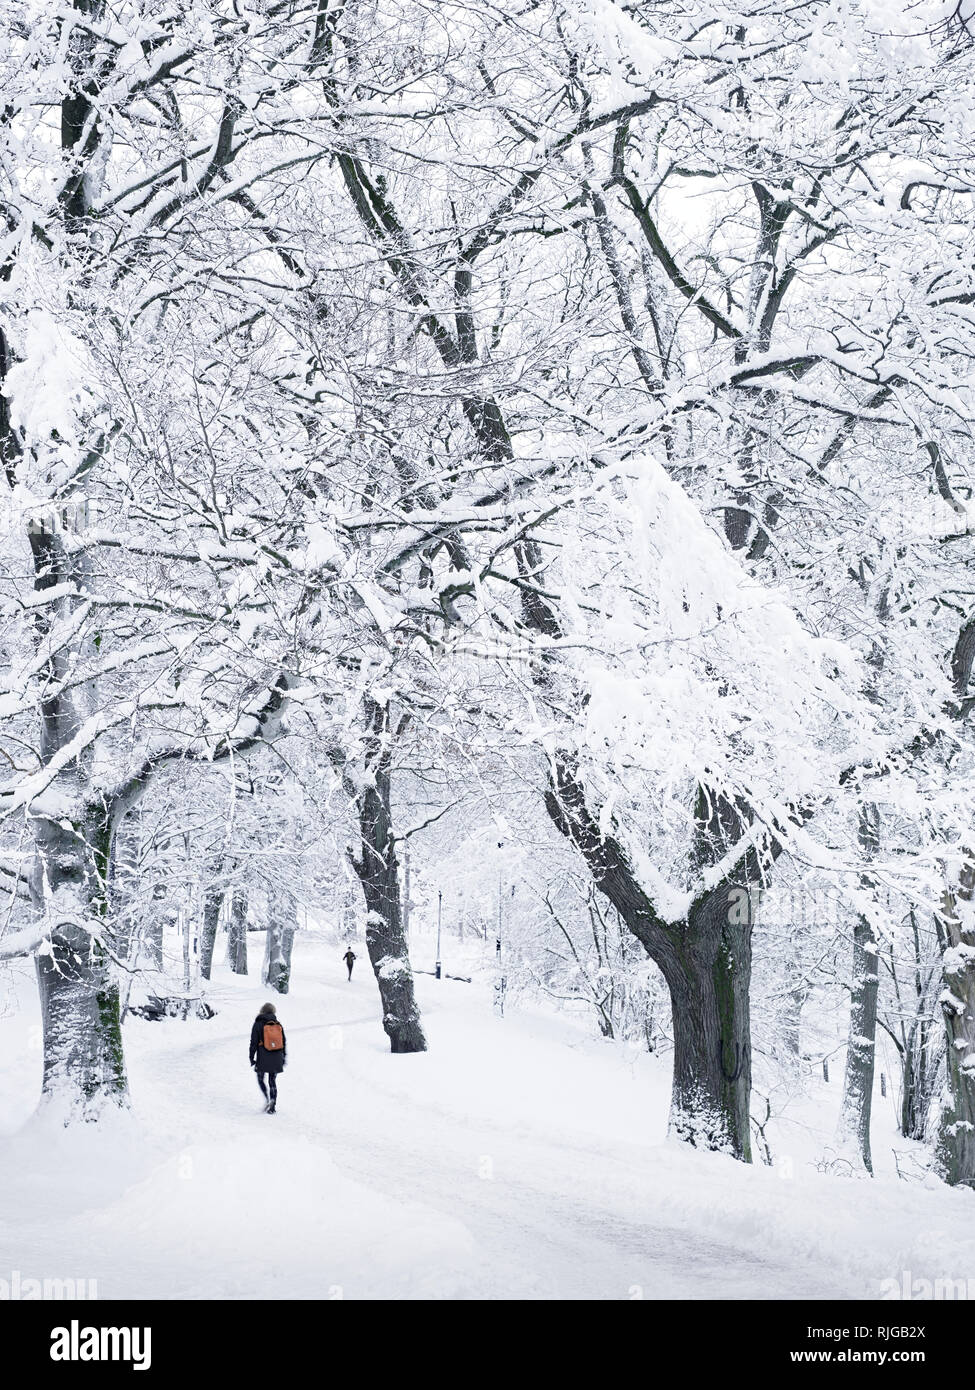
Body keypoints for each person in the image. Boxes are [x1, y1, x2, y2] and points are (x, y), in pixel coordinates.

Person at [249, 1001, 286, 1113]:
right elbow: (284, 1041)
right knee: (272, 1081)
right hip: (277, 1056)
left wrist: (251, 1057)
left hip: (263, 1057)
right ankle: (273, 1105)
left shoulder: (258, 1023)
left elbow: (253, 1043)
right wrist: (284, 1057)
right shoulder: (277, 1024)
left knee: (261, 1079)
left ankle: (267, 1099)